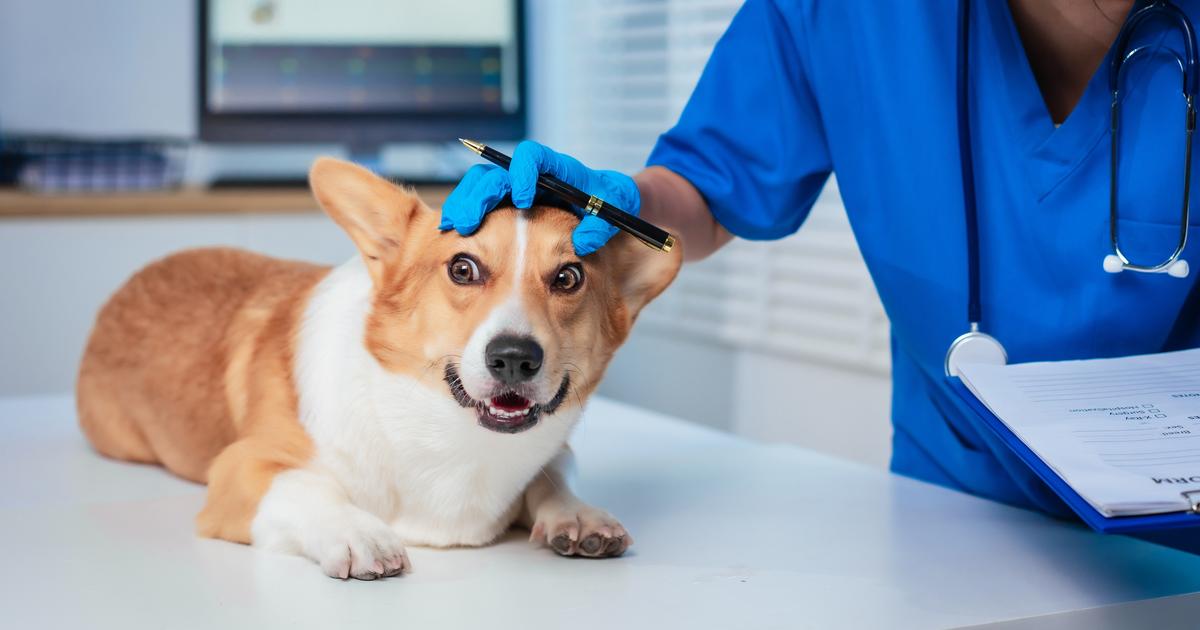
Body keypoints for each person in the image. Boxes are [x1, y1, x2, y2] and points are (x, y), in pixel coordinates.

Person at [440, 0, 1200, 526]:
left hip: (1181, 529)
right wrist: (612, 201)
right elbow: (707, 193)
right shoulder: (851, 14)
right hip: (958, 508)